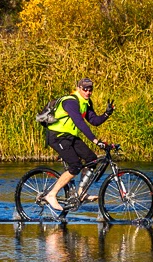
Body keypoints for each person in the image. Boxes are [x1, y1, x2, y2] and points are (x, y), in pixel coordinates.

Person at [43, 78, 114, 213]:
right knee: (75, 166)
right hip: (57, 136)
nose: (88, 92)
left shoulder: (86, 102)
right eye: (85, 89)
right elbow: (80, 123)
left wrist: (107, 114)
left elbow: (94, 121)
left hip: (70, 137)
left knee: (92, 159)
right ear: (78, 88)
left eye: (90, 89)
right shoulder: (71, 102)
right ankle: (51, 195)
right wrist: (95, 140)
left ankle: (81, 193)